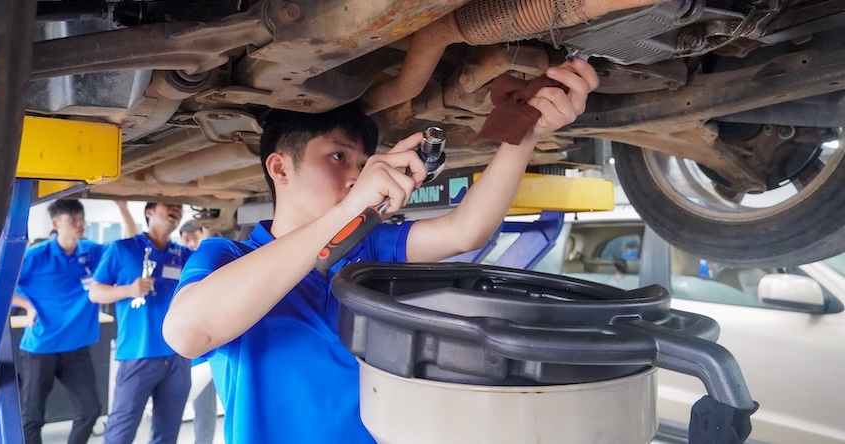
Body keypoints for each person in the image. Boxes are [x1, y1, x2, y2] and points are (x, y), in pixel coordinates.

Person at [163, 59, 599, 443]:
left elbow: (467, 231)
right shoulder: (226, 257)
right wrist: (350, 208)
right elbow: (187, 334)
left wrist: (524, 133)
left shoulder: (368, 249)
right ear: (280, 167)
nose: (356, 176)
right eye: (338, 157)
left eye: (362, 163)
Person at [89, 202, 193, 444]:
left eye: (179, 206)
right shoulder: (123, 249)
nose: (175, 209)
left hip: (178, 355)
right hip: (138, 352)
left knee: (167, 434)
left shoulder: (184, 255)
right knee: (120, 432)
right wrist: (128, 290)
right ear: (149, 212)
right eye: (169, 205)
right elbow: (95, 293)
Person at [12, 199, 109, 444]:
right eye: (72, 219)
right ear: (56, 224)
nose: (80, 223)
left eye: (81, 218)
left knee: (90, 410)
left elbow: (122, 252)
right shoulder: (37, 255)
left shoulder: (90, 251)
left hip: (76, 348)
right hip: (40, 348)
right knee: (32, 417)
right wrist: (27, 306)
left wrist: (123, 209)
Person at [178, 221, 218, 444]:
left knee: (210, 410)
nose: (191, 243)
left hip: (216, 347)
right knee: (201, 408)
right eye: (187, 239)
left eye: (195, 237)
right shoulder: (185, 260)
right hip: (194, 353)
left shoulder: (212, 257)